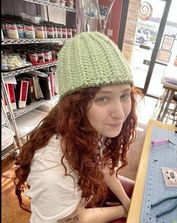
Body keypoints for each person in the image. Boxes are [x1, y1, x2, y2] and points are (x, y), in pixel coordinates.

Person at [14, 31, 138, 223]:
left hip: (82, 199)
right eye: (103, 98)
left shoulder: (92, 126)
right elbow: (76, 219)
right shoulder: (53, 171)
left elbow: (103, 166)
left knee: (138, 193)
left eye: (124, 95)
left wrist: (127, 201)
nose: (120, 114)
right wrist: (123, 211)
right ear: (75, 105)